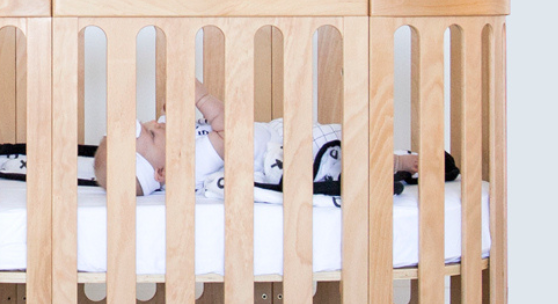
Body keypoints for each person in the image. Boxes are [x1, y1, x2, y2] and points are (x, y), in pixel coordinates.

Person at [92, 79, 420, 195]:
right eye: (151, 132)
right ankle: (401, 161)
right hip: (285, 154)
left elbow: (174, 123)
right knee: (342, 145)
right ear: (162, 173)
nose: (155, 123)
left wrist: (172, 108)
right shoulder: (191, 164)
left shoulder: (174, 146)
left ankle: (392, 160)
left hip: (279, 135)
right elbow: (227, 131)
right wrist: (202, 98)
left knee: (344, 141)